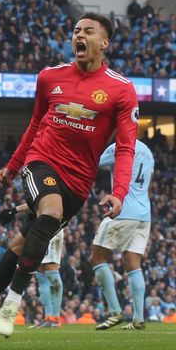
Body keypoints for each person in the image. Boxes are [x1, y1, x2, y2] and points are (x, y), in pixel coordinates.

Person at [0, 12, 139, 348]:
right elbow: (34, 126)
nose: (80, 35)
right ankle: (13, 303)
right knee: (48, 212)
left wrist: (118, 193)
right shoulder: (50, 77)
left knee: (18, 250)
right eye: (76, 30)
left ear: (104, 43)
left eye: (88, 31)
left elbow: (126, 148)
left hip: (78, 183)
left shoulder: (121, 90)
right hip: (41, 162)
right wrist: (14, 166)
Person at [92, 140, 154, 331]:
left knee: (97, 258)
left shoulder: (119, 145)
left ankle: (114, 312)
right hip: (144, 214)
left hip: (122, 210)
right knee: (132, 263)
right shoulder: (148, 151)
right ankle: (137, 319)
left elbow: (95, 161)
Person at [0, 204, 64, 328]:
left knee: (51, 268)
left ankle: (55, 318)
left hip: (52, 226)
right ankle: (49, 317)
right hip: (39, 227)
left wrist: (15, 210)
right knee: (40, 272)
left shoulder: (50, 186)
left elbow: (38, 201)